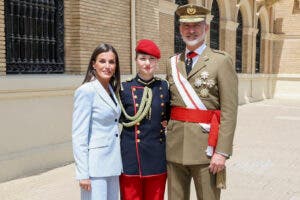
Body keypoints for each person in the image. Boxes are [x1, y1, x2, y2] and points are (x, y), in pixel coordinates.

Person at [166, 4, 238, 200]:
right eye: (186, 26)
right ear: (180, 29)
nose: (191, 31)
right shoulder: (172, 62)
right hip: (175, 148)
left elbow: (229, 112)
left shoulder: (221, 61)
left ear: (206, 28)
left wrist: (222, 152)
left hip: (207, 150)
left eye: (196, 25)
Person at [118, 39, 169, 200]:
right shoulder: (123, 88)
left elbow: (170, 115)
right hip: (131, 156)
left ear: (157, 62)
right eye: (143, 58)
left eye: (152, 59)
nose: (147, 63)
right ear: (136, 60)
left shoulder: (164, 87)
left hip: (157, 155)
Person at [72, 43, 122, 200]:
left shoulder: (112, 91)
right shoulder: (86, 91)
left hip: (113, 164)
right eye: (102, 61)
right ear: (93, 64)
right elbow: (79, 135)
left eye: (111, 62)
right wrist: (83, 173)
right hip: (95, 168)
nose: (107, 66)